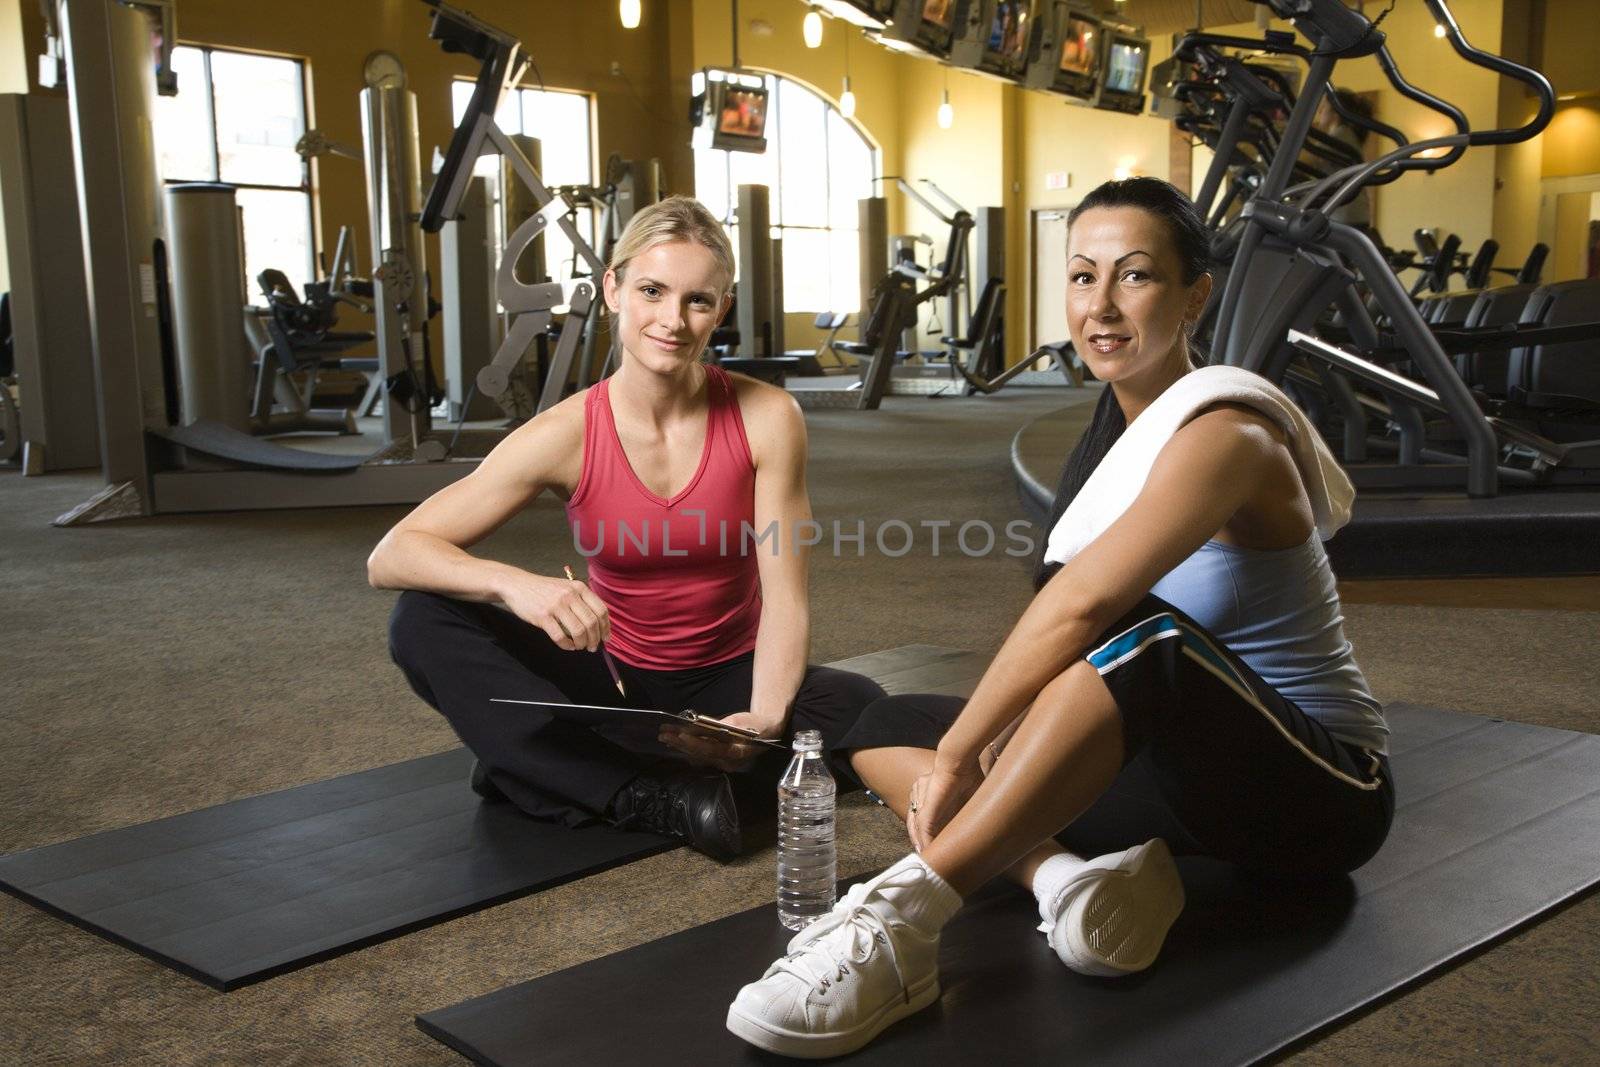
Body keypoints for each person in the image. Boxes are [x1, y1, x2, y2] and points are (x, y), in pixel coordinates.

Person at [724, 177, 1394, 1057]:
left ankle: (905, 918)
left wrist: (967, 752)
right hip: (1174, 779)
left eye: (1135, 277)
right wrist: (982, 736)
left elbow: (1083, 610)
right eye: (1082, 277)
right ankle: (1066, 884)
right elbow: (1056, 627)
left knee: (1128, 639)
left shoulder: (1227, 435)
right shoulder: (1108, 441)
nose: (1102, 305)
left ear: (1196, 295)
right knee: (878, 719)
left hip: (1317, 792)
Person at [371, 195, 883, 861]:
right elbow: (392, 554)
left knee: (862, 708)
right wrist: (514, 586)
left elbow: (785, 594)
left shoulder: (768, 416)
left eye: (697, 300)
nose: (672, 320)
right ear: (613, 289)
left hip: (728, 676)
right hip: (613, 679)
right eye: (651, 290)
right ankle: (650, 795)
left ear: (720, 310)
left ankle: (537, 765)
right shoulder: (565, 433)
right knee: (420, 621)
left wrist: (762, 719)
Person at [1313, 87, 1377, 238]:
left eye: (1323, 108)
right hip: (1351, 214)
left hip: (1344, 217)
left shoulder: (1339, 136)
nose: (1319, 112)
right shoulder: (1346, 135)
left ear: (1335, 113)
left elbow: (1307, 160)